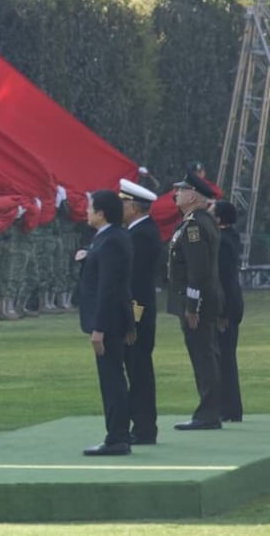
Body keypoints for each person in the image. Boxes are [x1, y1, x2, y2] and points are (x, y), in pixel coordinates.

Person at [78, 190, 135, 456]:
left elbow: (109, 288)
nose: (86, 212)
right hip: (115, 320)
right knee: (113, 378)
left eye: (90, 208)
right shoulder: (109, 238)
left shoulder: (111, 240)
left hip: (108, 323)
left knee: (112, 380)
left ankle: (117, 437)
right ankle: (118, 434)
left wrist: (98, 327)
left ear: (101, 213)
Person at [168, 172, 224, 430]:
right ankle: (210, 409)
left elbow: (197, 270)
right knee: (205, 353)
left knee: (202, 355)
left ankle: (208, 412)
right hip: (204, 300)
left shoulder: (194, 225)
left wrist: (192, 306)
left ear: (192, 195)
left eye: (180, 190)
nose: (176, 194)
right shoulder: (200, 221)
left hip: (197, 303)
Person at [119, 179, 163, 445]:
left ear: (133, 207)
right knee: (136, 368)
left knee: (139, 369)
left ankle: (144, 427)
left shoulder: (141, 234)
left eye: (123, 203)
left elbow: (136, 282)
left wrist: (131, 322)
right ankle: (142, 424)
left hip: (138, 310)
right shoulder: (139, 232)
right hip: (138, 309)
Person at [214, 200, 244, 422]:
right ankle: (229, 407)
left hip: (227, 307)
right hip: (233, 304)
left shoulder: (223, 242)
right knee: (226, 357)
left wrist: (222, 312)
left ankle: (229, 408)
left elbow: (222, 279)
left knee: (224, 358)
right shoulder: (230, 238)